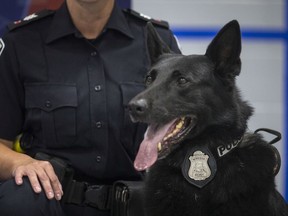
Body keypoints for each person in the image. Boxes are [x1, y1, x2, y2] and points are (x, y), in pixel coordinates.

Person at [0, 0, 181, 215]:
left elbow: (187, 133)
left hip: (134, 203)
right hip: (51, 200)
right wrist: (19, 163)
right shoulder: (21, 42)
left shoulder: (156, 40)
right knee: (20, 197)